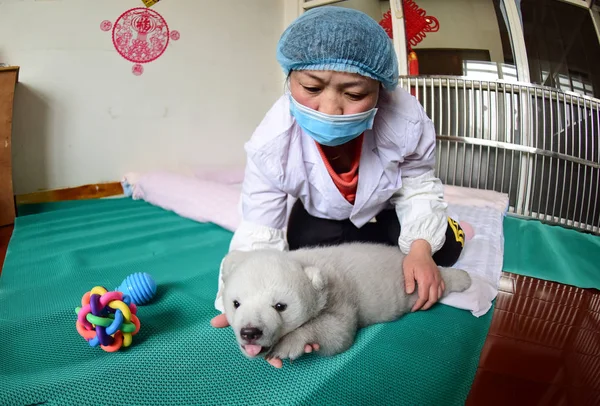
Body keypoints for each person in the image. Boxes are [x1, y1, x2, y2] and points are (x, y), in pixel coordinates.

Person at [210, 6, 466, 367]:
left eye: (355, 93)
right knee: (299, 267)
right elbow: (260, 228)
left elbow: (418, 185)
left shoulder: (405, 120)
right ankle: (372, 247)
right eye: (312, 87)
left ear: (380, 87)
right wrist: (237, 300)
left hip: (385, 207)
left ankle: (443, 233)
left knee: (444, 253)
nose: (330, 107)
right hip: (319, 213)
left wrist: (421, 248)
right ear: (289, 77)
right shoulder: (271, 144)